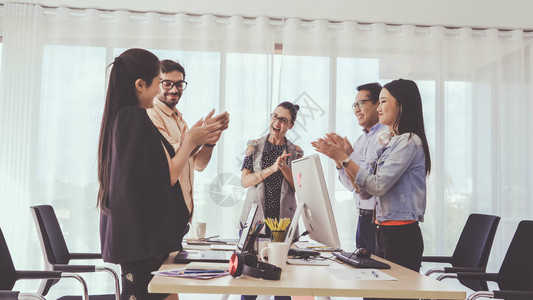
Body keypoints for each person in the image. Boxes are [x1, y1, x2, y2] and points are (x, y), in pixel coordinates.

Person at [97, 48, 224, 300]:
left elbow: (159, 171)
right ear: (140, 84)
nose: (159, 91)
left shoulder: (128, 118)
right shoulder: (133, 118)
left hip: (146, 241)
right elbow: (163, 178)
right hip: (142, 242)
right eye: (159, 83)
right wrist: (189, 141)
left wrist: (195, 139)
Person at [312, 79, 430, 274]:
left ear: (400, 104)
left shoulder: (408, 141)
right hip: (382, 230)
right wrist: (341, 159)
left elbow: (377, 186)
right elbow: (364, 193)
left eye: (384, 102)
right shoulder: (392, 141)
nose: (380, 108)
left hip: (400, 234)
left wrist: (344, 157)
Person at [147, 59, 229, 222]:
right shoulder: (152, 114)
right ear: (157, 84)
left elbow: (197, 164)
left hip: (183, 215)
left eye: (179, 84)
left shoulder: (179, 120)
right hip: (164, 214)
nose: (174, 89)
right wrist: (196, 137)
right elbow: (170, 157)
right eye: (167, 84)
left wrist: (209, 141)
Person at [239, 102, 303, 300]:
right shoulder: (253, 146)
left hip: (281, 222)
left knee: (282, 283)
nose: (276, 122)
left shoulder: (296, 151)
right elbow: (245, 181)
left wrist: (284, 168)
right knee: (248, 281)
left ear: (291, 125)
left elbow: (300, 188)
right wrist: (272, 169)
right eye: (274, 116)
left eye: (283, 120)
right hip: (254, 221)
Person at [312, 82, 386, 254]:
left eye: (361, 103)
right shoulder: (361, 141)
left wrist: (343, 156)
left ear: (377, 104)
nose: (357, 110)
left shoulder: (386, 137)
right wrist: (338, 159)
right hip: (363, 220)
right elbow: (351, 186)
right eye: (355, 105)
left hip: (378, 222)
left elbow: (369, 185)